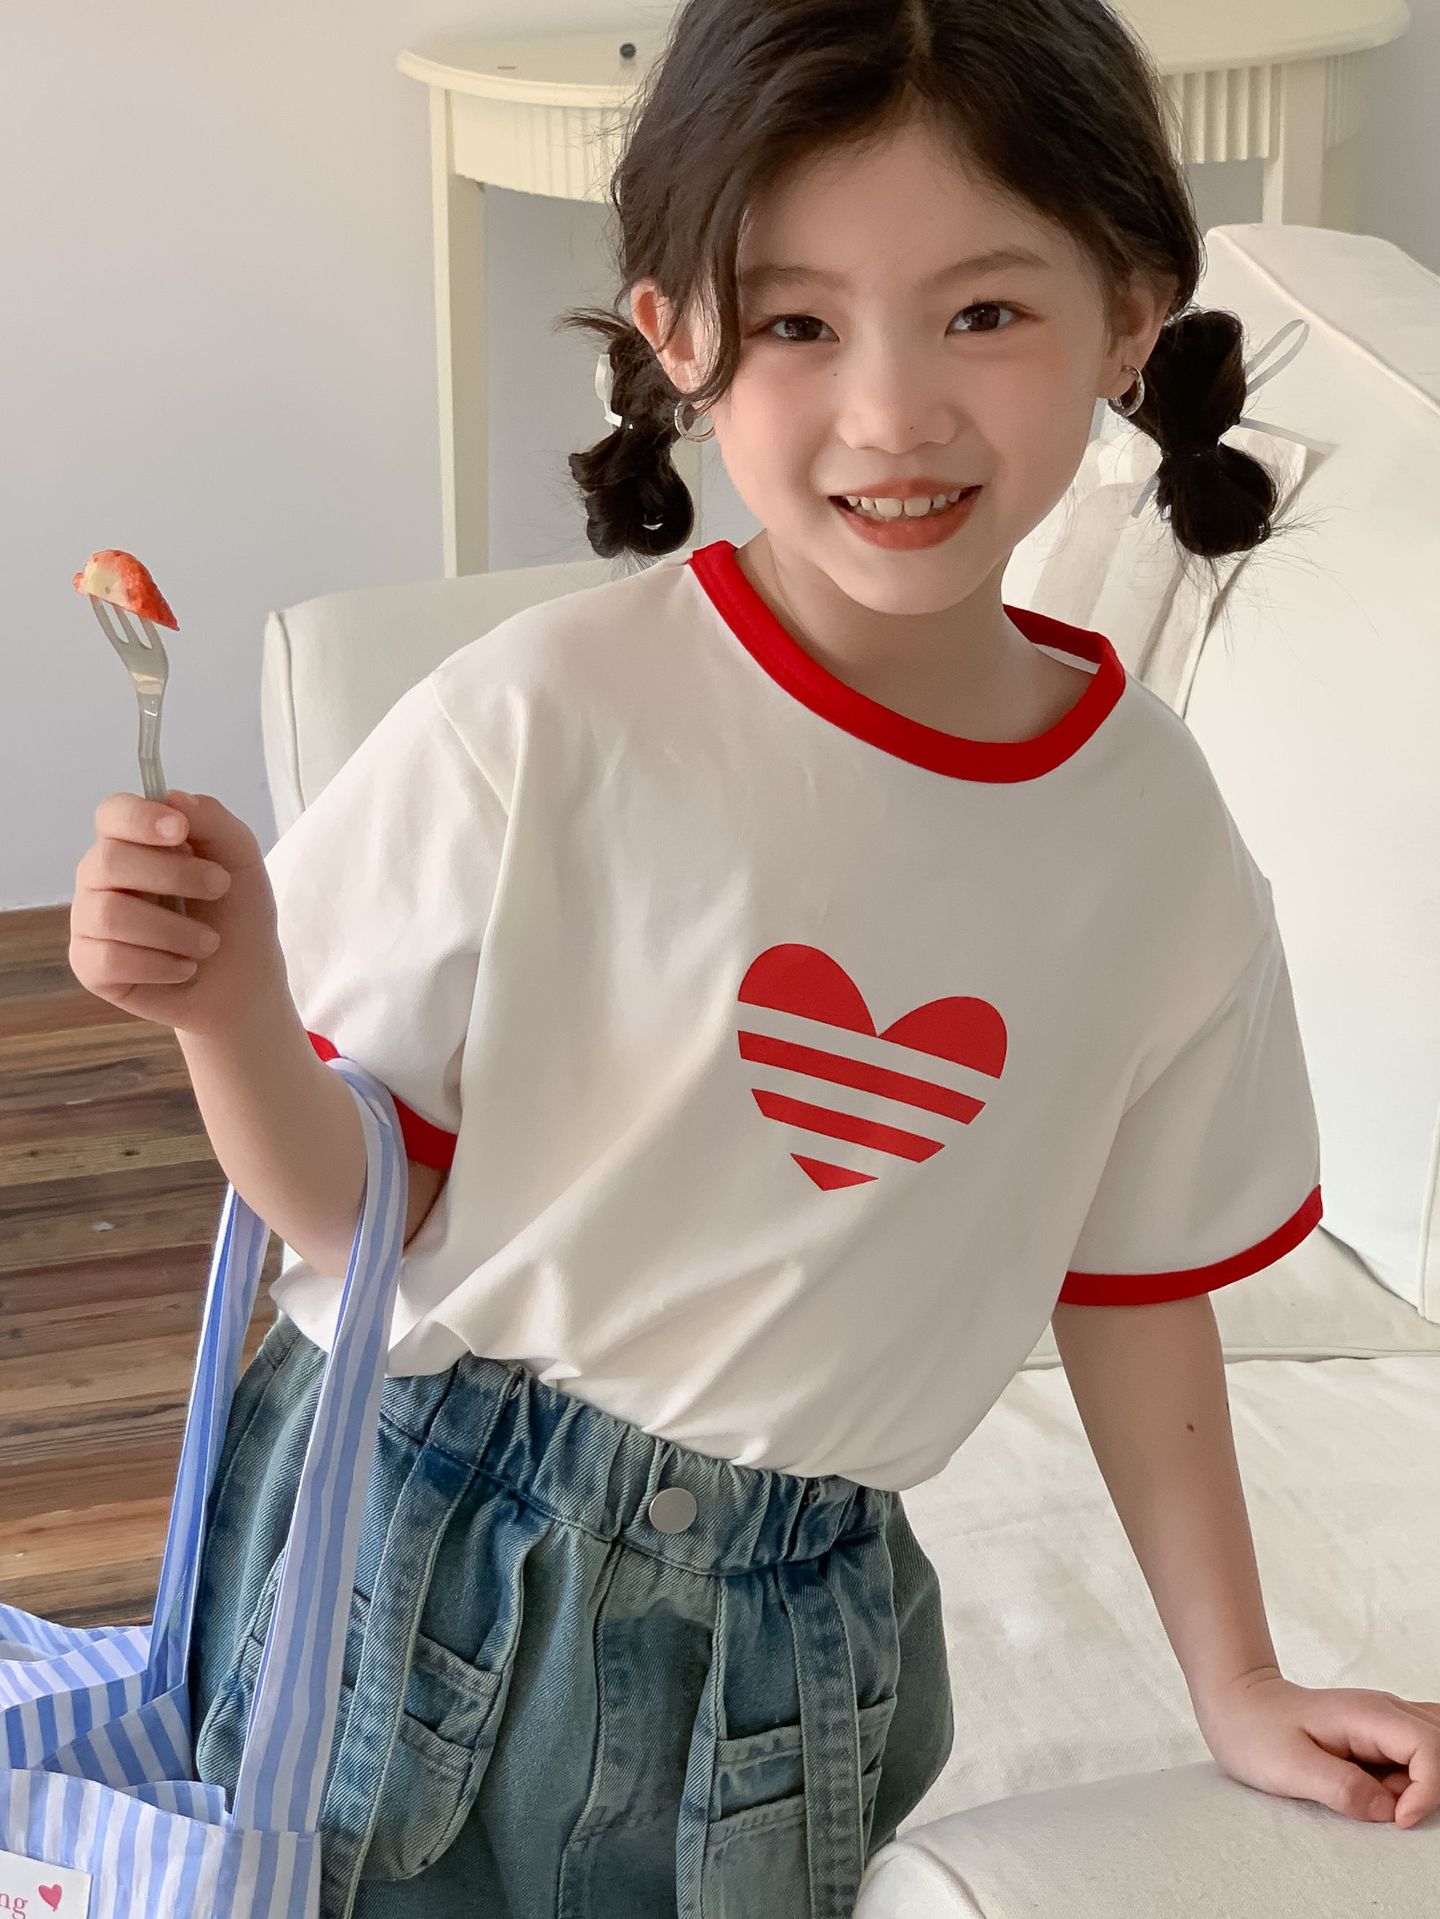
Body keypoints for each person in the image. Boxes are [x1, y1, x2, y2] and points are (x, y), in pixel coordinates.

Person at [73, 2, 1440, 1914]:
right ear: (681, 341)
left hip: (797, 1641)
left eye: (984, 311)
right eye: (799, 323)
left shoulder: (1152, 842)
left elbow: (1132, 1282)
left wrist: (1237, 1681)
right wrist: (228, 1013)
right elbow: (351, 1208)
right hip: (401, 1550)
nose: (894, 413)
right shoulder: (541, 721)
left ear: (1132, 317)